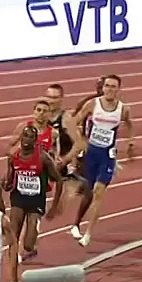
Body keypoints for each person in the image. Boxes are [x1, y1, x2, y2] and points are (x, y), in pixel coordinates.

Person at [71, 74, 134, 247]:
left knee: (99, 192)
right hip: (91, 154)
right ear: (103, 87)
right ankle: (76, 223)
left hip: (107, 156)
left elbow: (129, 124)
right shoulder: (93, 104)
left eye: (114, 86)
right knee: (89, 192)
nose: (110, 89)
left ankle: (88, 234)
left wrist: (130, 142)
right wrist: (80, 140)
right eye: (107, 86)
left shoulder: (123, 109)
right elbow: (73, 122)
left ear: (119, 89)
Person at [4, 124, 63, 282]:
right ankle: (13, 279)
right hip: (18, 198)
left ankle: (31, 246)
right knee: (13, 237)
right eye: (24, 136)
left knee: (28, 245)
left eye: (30, 137)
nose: (26, 140)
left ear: (35, 140)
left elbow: (58, 180)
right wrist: (6, 183)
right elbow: (9, 180)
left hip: (36, 200)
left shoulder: (42, 158)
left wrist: (55, 206)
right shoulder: (13, 157)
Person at [44, 83, 86, 220]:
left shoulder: (66, 119)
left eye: (55, 97)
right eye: (49, 97)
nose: (51, 100)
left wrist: (64, 160)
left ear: (61, 99)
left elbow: (79, 144)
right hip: (46, 160)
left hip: (62, 164)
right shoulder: (41, 115)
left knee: (59, 209)